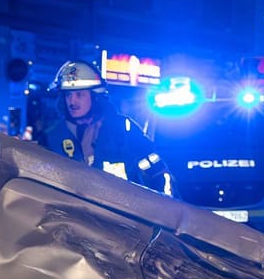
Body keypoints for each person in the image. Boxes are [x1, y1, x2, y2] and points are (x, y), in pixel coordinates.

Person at [32, 61, 168, 193]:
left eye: (79, 95)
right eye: (68, 95)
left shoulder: (123, 128)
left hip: (123, 212)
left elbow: (156, 169)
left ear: (96, 97)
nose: (72, 101)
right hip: (70, 213)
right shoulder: (51, 136)